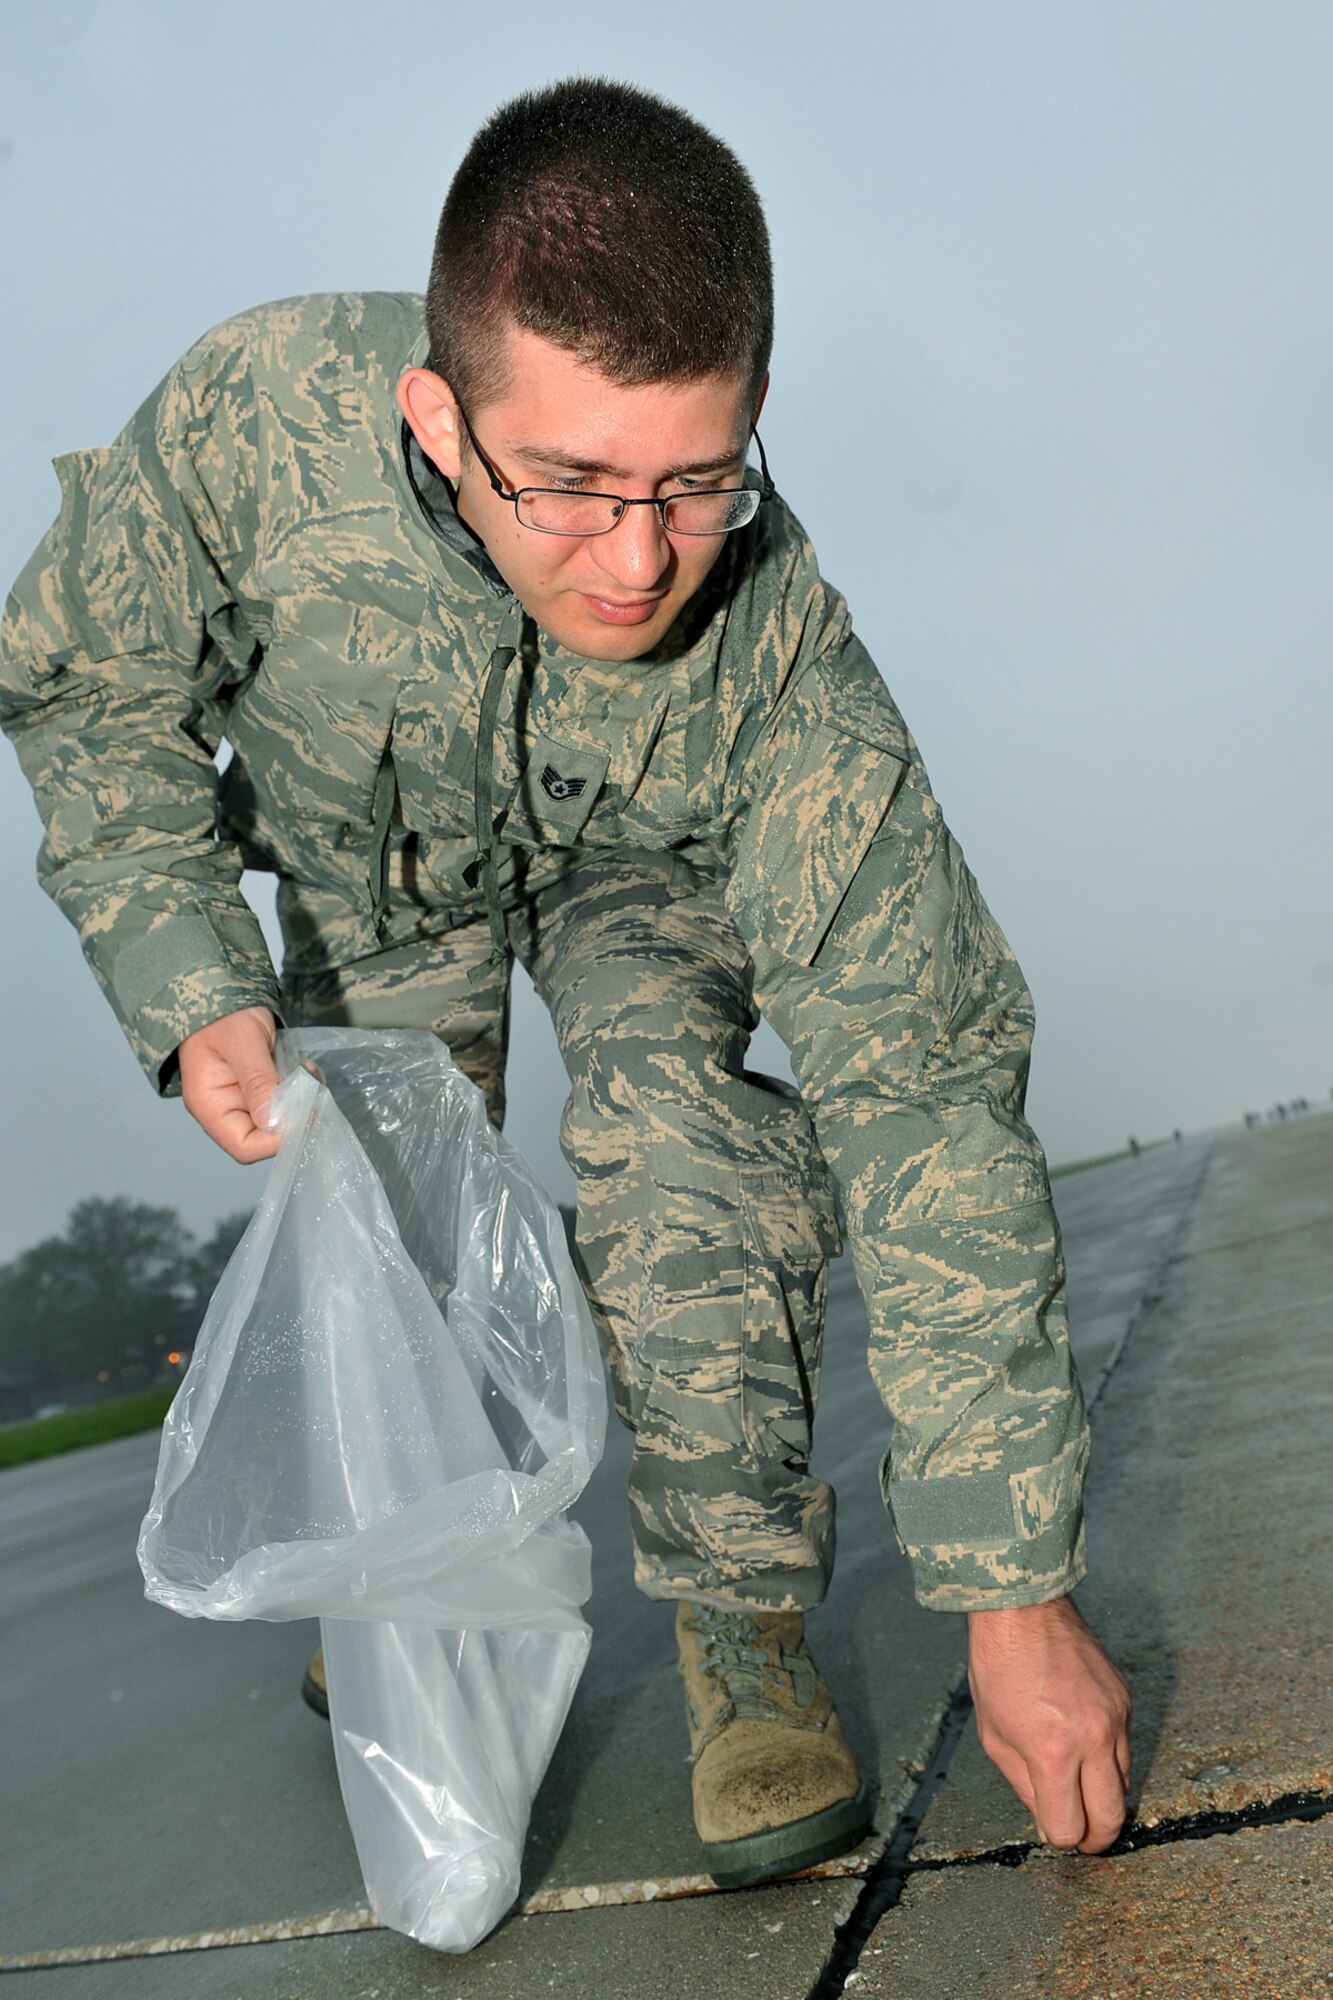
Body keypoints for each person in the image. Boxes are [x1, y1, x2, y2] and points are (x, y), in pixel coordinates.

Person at [0, 78, 1129, 1887]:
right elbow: (87, 683)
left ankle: (742, 1631)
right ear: (436, 420)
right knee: (393, 1218)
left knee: (681, 1149)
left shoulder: (771, 654)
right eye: (575, 483)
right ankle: (407, 1580)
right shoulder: (252, 434)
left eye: (696, 480)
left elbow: (919, 1091)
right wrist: (185, 968)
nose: (634, 563)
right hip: (380, 875)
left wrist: (1016, 1596)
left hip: (642, 871)